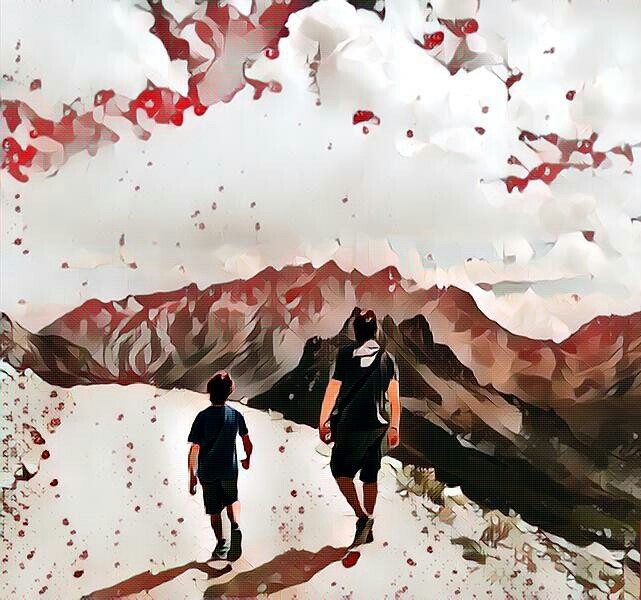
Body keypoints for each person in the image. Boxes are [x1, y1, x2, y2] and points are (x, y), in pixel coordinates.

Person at [319, 309, 401, 547]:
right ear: (376, 331)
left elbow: (333, 390)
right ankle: (369, 523)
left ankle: (362, 516)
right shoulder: (388, 359)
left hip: (350, 425)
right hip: (378, 426)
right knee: (370, 475)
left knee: (340, 471)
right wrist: (394, 427)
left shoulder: (346, 355)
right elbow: (395, 400)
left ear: (355, 331)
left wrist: (323, 421)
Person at [188, 371, 253, 561]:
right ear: (229, 392)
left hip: (207, 471)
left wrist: (192, 476)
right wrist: (247, 458)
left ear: (210, 392)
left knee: (214, 510)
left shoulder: (202, 417)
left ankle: (221, 543)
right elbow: (247, 442)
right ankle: (236, 525)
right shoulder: (235, 415)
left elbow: (195, 448)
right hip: (229, 469)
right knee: (232, 499)